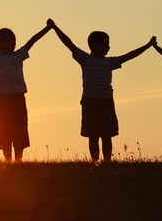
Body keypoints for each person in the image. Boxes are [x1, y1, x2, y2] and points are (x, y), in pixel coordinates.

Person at [48, 19, 155, 163]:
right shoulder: (85, 58)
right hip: (90, 102)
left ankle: (107, 161)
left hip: (106, 102)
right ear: (94, 45)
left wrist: (147, 46)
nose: (108, 46)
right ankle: (95, 161)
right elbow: (69, 44)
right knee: (93, 135)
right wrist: (55, 28)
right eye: (105, 43)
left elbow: (129, 56)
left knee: (107, 134)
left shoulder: (109, 62)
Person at [0, 19, 51, 162]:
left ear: (14, 44)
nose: (6, 44)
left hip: (18, 98)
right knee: (4, 131)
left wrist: (48, 28)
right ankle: (8, 161)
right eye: (2, 41)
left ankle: (18, 160)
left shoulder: (18, 56)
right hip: (3, 99)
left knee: (19, 130)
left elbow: (32, 41)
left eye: (9, 41)